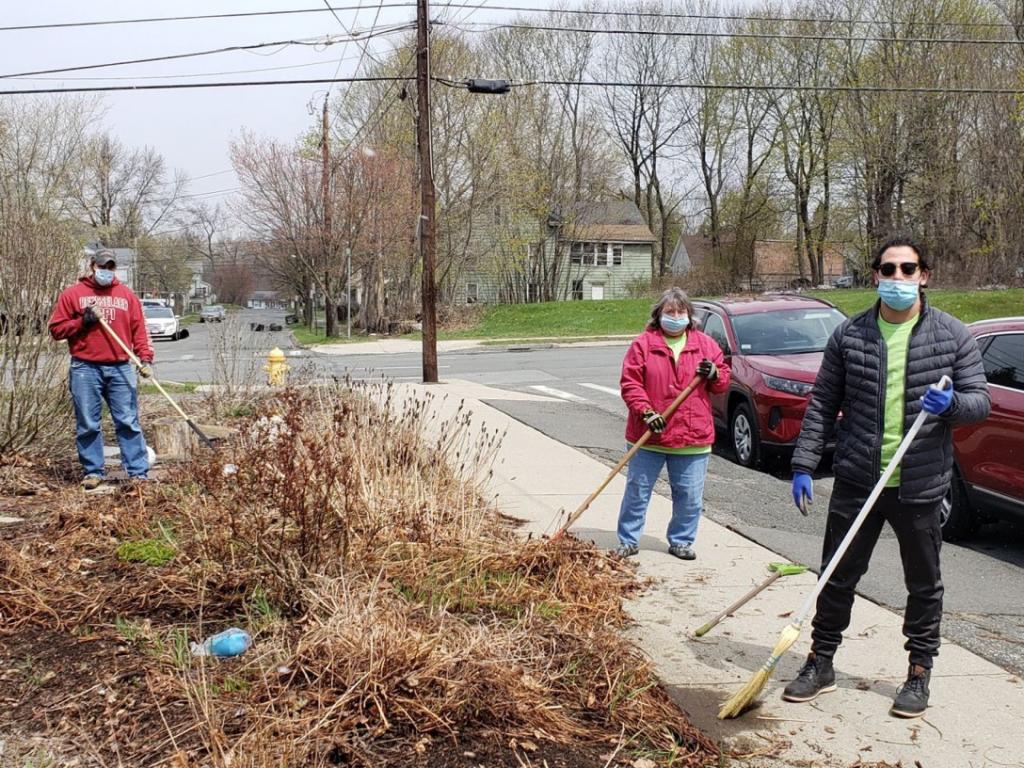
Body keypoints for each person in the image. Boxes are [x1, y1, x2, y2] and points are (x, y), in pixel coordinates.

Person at [785, 233, 990, 718]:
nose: (897, 278)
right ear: (875, 275)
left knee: (923, 582)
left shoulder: (953, 336)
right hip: (858, 479)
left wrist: (954, 405)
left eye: (907, 269)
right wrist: (802, 464)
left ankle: (919, 672)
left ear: (924, 276)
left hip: (919, 484)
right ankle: (821, 662)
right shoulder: (850, 335)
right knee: (836, 573)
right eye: (888, 269)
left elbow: (979, 402)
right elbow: (822, 404)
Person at [616, 287, 730, 560]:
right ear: (659, 315)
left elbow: (723, 382)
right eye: (670, 311)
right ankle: (629, 540)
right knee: (637, 491)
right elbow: (630, 383)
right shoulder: (643, 344)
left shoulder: (705, 346)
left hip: (692, 436)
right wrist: (646, 413)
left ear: (690, 316)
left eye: (681, 312)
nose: (676, 316)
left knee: (689, 496)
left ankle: (681, 540)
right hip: (649, 435)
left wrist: (714, 373)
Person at [49, 249, 155, 491]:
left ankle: (138, 473)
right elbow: (56, 330)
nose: (105, 271)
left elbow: (140, 331)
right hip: (85, 367)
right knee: (88, 422)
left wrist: (145, 359)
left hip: (120, 367)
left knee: (128, 421)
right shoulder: (73, 295)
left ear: (114, 269)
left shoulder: (127, 296)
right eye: (101, 266)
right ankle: (93, 471)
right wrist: (82, 321)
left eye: (110, 267)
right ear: (92, 266)